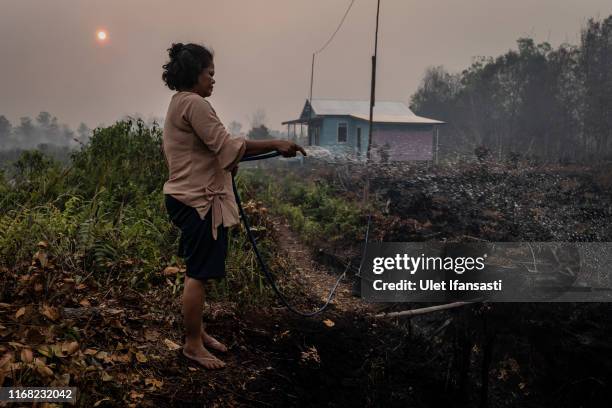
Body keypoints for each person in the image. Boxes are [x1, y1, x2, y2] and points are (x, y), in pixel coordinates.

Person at [161, 42, 306, 369]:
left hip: (185, 197)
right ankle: (193, 345)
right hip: (197, 201)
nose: (214, 79)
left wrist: (224, 160)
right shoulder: (195, 104)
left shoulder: (178, 103)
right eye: (210, 73)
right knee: (197, 274)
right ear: (195, 74)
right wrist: (275, 143)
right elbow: (226, 145)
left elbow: (203, 150)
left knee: (197, 270)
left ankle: (197, 331)